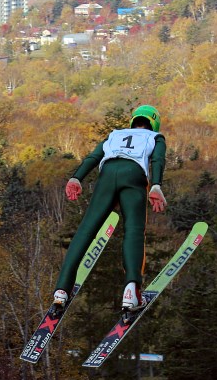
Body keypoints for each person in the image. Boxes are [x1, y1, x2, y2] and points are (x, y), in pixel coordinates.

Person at [53, 105, 167, 314]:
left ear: (133, 120)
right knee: (133, 231)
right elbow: (158, 159)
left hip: (107, 175)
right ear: (154, 122)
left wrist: (76, 177)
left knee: (86, 230)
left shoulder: (115, 135)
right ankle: (132, 291)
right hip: (134, 175)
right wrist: (157, 185)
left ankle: (61, 290)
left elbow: (93, 157)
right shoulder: (155, 137)